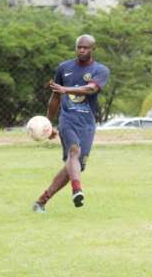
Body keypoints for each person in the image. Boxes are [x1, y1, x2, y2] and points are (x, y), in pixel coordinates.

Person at [33, 35, 110, 213]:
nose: (81, 50)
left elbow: (91, 88)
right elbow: (55, 97)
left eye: (85, 47)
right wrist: (48, 124)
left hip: (87, 123)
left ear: (93, 49)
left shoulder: (101, 70)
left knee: (74, 166)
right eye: (79, 47)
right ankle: (77, 190)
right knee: (74, 152)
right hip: (67, 119)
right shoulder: (64, 68)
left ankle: (41, 201)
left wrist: (65, 89)